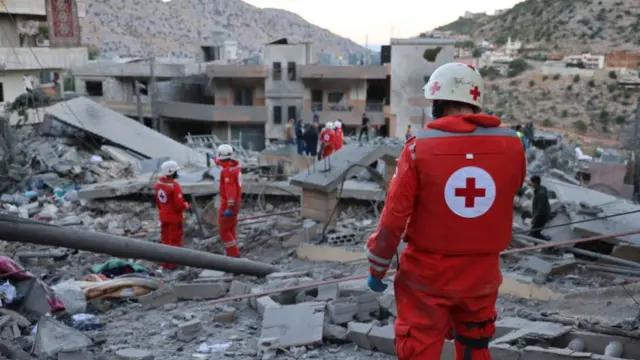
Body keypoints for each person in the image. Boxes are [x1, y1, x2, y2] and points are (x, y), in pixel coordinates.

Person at [365, 62, 526, 360]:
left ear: (438, 102)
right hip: (482, 276)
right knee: (475, 347)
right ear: (475, 101)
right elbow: (509, 191)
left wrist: (378, 266)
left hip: (427, 277)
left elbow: (392, 220)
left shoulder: (418, 148)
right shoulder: (512, 145)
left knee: (420, 346)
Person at [154, 160, 191, 270]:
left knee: (165, 241)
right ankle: (174, 266)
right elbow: (179, 206)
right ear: (171, 172)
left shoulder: (158, 185)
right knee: (175, 241)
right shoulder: (174, 186)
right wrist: (187, 205)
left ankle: (165, 264)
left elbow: (159, 203)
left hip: (163, 216)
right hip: (174, 218)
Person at [215, 144, 242, 257]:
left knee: (224, 231)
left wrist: (229, 207)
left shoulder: (227, 172)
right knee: (231, 230)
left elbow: (231, 190)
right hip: (236, 204)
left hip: (228, 206)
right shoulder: (235, 168)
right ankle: (234, 256)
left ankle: (234, 256)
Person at [529, 175, 551, 241]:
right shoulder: (541, 188)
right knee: (535, 231)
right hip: (543, 214)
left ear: (535, 183)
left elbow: (540, 209)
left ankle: (543, 242)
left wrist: (534, 218)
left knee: (535, 233)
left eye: (531, 182)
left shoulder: (541, 194)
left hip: (541, 216)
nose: (530, 184)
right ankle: (538, 240)